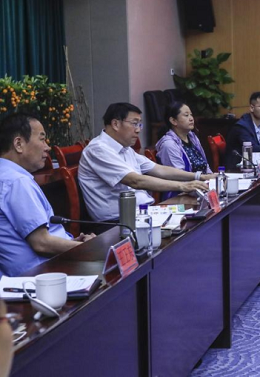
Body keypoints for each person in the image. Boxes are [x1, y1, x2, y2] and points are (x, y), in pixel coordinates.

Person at [79, 103, 212, 222]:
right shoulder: (98, 149)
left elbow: (159, 169)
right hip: (118, 222)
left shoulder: (125, 149)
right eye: (134, 123)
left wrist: (200, 177)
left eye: (140, 124)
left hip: (143, 213)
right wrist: (183, 186)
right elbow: (136, 181)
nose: (138, 129)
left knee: (197, 216)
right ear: (116, 124)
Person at [0, 114, 95, 277]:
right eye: (42, 139)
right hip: (43, 276)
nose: (47, 147)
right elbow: (41, 243)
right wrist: (88, 248)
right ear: (18, 144)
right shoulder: (16, 181)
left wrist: (71, 243)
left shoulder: (7, 175)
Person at [155, 102, 213, 199]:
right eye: (186, 115)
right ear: (173, 121)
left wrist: (213, 180)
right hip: (179, 195)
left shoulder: (193, 137)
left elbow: (205, 165)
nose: (191, 118)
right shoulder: (169, 144)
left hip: (201, 190)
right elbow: (178, 176)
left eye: (191, 115)